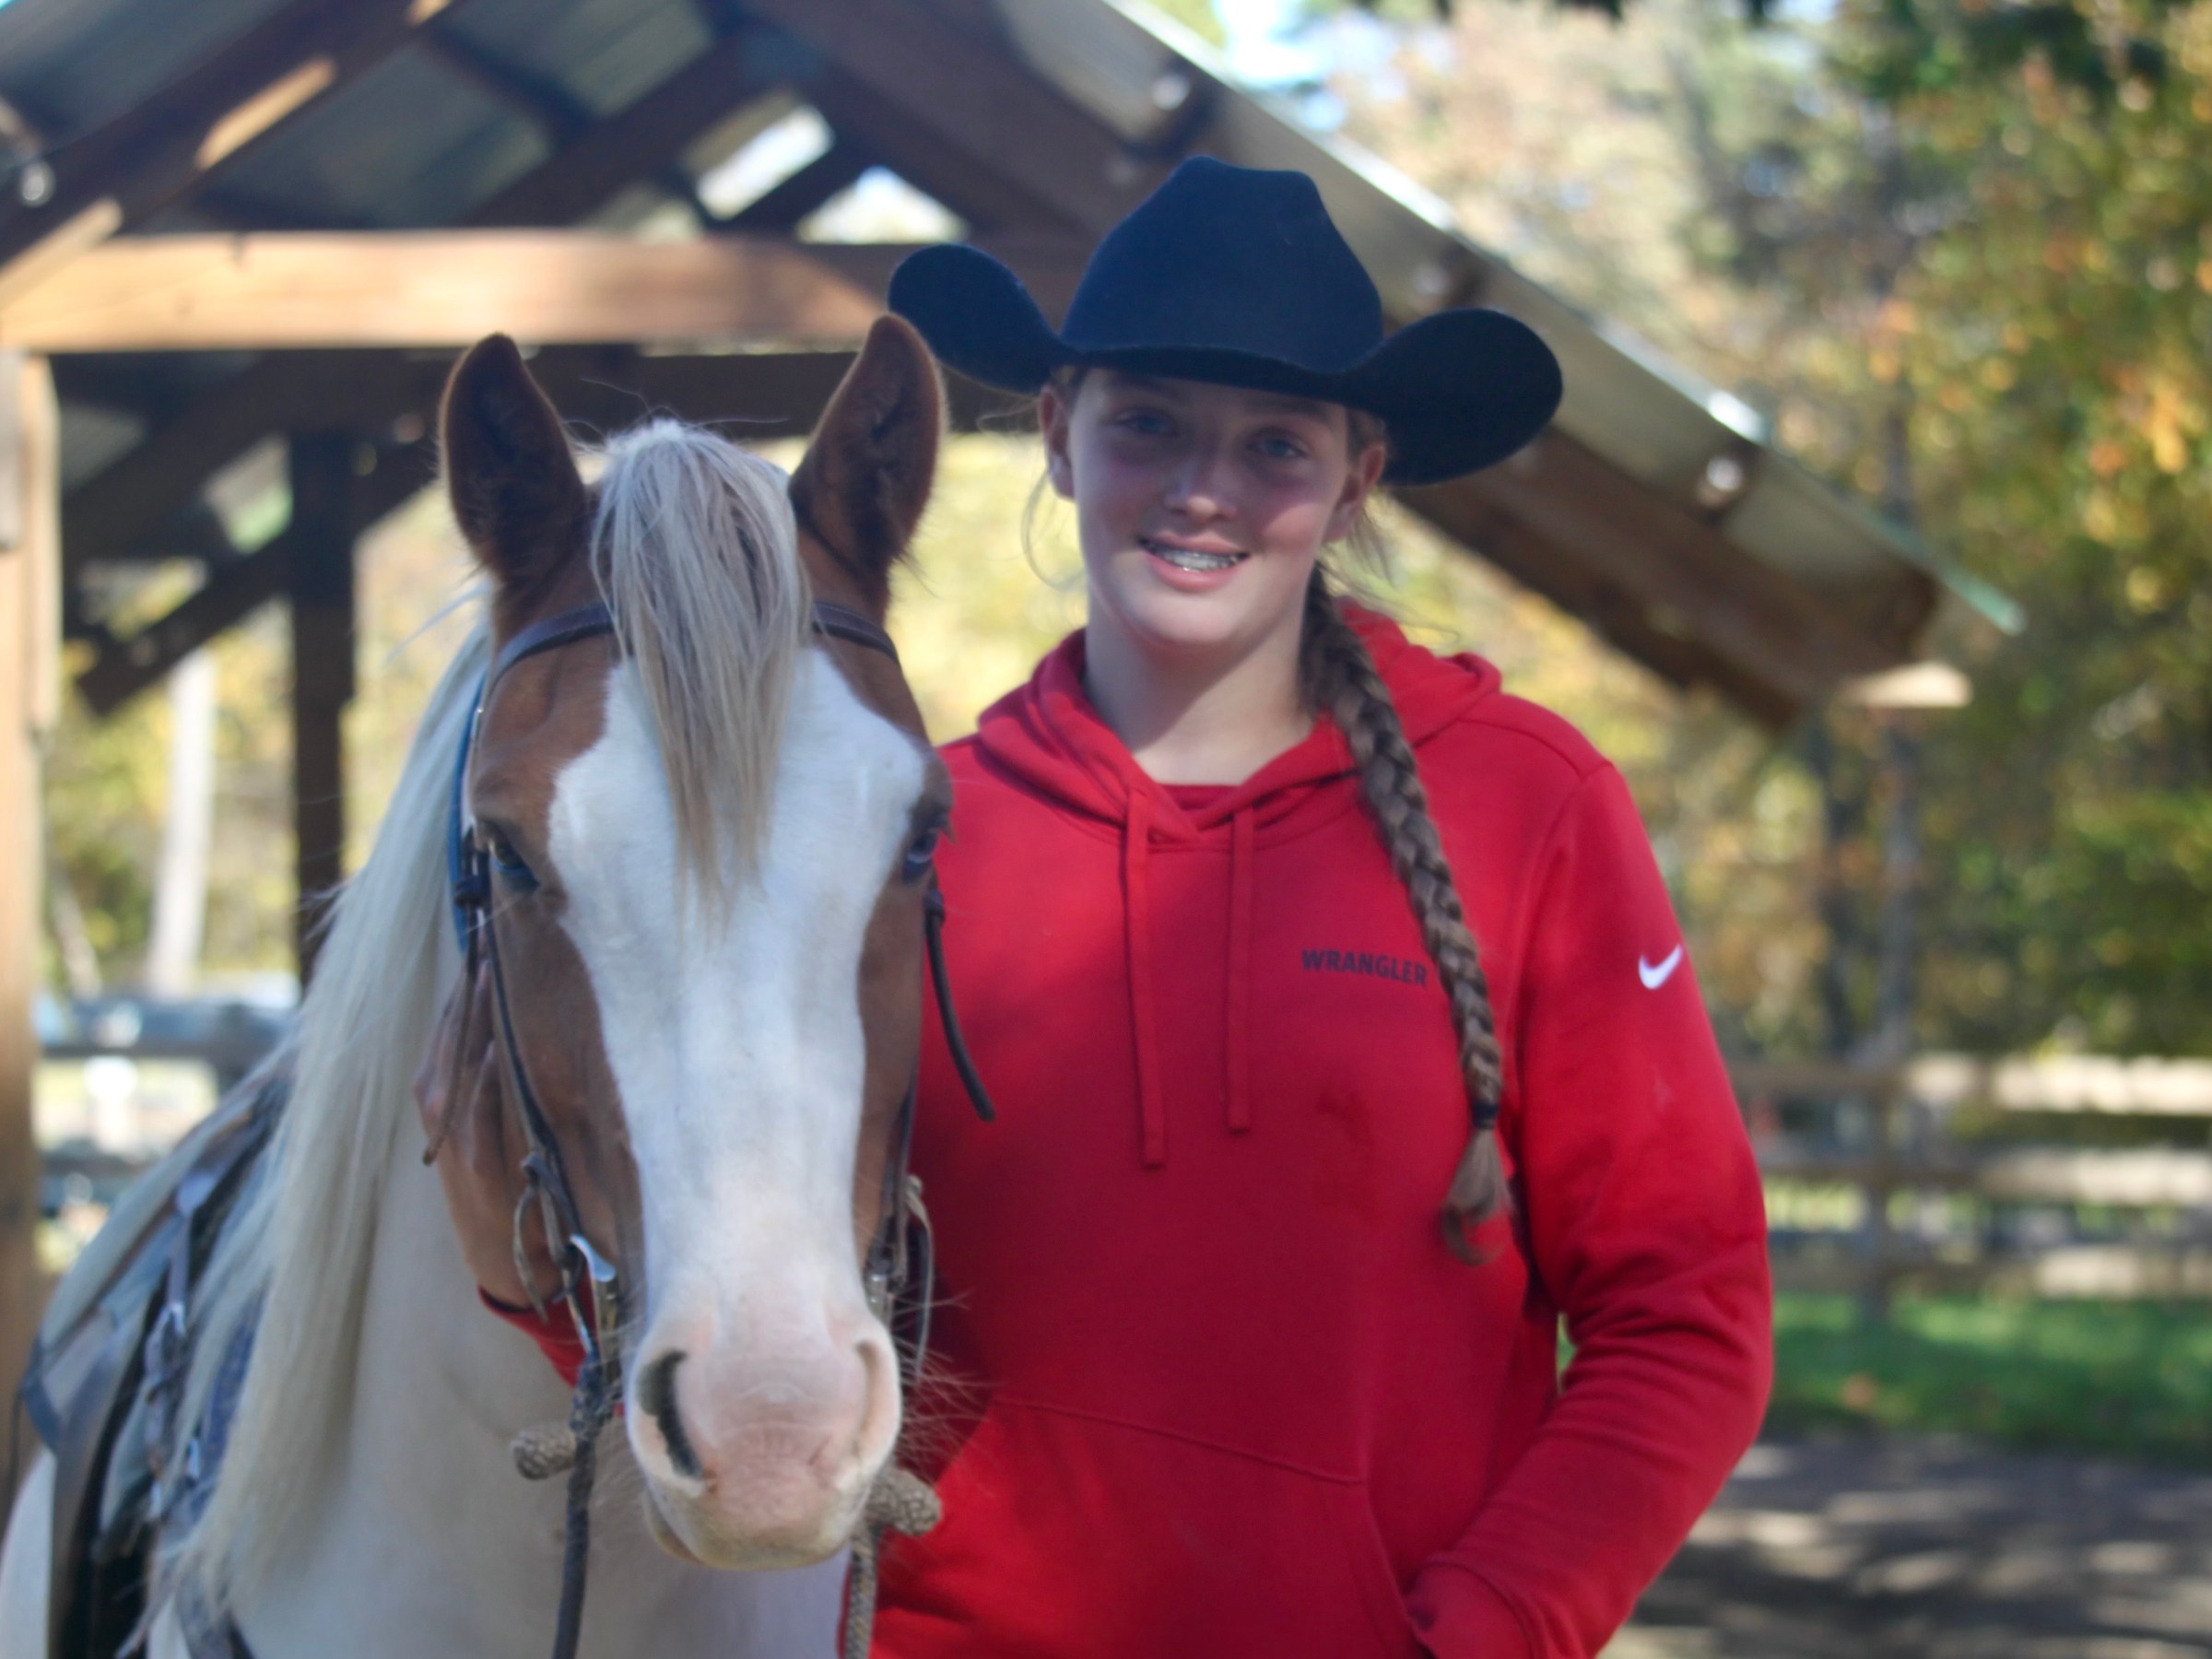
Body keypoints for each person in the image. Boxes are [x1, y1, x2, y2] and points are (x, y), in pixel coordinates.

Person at [432, 157, 1771, 1657]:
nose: (1205, 490)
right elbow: (748, 1299)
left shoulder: (1530, 807)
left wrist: (1486, 1630)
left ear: (1358, 475)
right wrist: (527, 1288)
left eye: (1275, 442)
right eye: (1149, 426)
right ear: (1059, 440)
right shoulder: (891, 842)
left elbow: (1687, 1320)